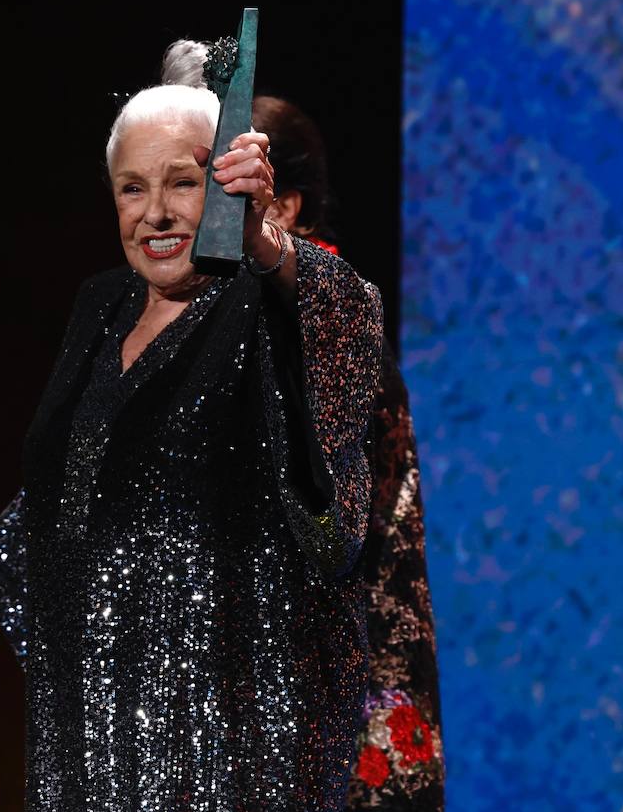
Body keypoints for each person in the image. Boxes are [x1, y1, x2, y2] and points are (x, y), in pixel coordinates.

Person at [0, 73, 384, 810]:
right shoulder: (104, 307)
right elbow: (83, 475)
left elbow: (345, 321)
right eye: (132, 189)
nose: (156, 212)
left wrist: (263, 239)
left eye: (183, 183)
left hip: (232, 727)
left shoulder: (262, 304)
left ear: (226, 188)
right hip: (92, 725)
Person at [164, 40, 447, 808]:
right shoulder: (247, 317)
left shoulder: (327, 315)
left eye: (212, 186)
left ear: (280, 206)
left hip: (334, 709)